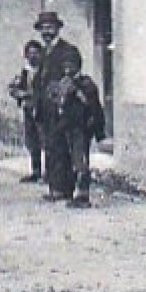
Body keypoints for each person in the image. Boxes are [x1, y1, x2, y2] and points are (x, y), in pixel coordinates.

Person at [32, 11, 83, 201]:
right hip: (45, 109)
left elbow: (69, 78)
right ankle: (55, 188)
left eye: (50, 28)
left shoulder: (67, 50)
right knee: (51, 147)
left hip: (62, 108)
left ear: (58, 29)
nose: (46, 32)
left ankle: (64, 189)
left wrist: (60, 98)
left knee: (61, 148)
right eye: (43, 29)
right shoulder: (44, 52)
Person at [50, 48, 107, 209]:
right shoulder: (62, 83)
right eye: (65, 66)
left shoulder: (86, 84)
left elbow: (93, 106)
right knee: (68, 159)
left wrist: (76, 92)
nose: (68, 69)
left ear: (78, 66)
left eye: (71, 65)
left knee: (80, 160)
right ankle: (70, 190)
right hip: (66, 127)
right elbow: (57, 103)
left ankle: (83, 195)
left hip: (81, 128)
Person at [8, 40, 45, 183]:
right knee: (32, 141)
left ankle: (48, 173)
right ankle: (36, 171)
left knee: (45, 140)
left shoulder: (44, 71)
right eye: (30, 53)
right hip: (28, 109)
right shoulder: (25, 71)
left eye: (36, 53)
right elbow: (14, 87)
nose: (33, 56)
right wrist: (18, 93)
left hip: (42, 109)